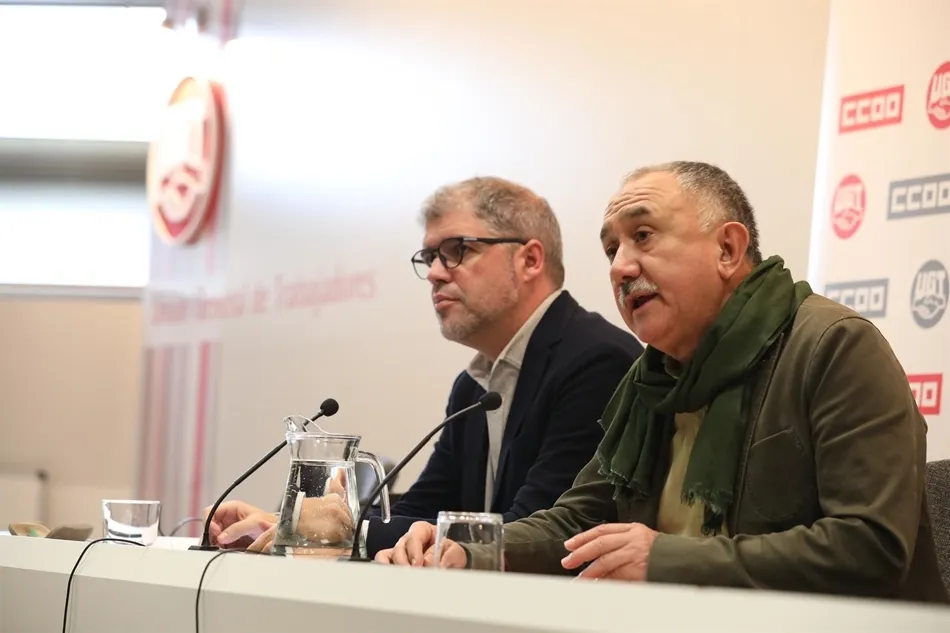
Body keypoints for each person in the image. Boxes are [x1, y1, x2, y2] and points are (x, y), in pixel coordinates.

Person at [376, 161, 949, 603]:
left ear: (728, 249)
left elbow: (870, 547)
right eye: (611, 249)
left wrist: (665, 561)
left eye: (643, 236)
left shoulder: (832, 347)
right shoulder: (651, 379)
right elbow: (579, 518)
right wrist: (464, 545)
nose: (621, 266)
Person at [204, 176, 644, 557]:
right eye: (429, 257)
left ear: (529, 260)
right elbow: (422, 509)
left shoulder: (594, 361)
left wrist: (323, 532)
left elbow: (535, 529)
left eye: (456, 250)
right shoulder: (474, 388)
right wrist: (296, 520)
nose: (435, 272)